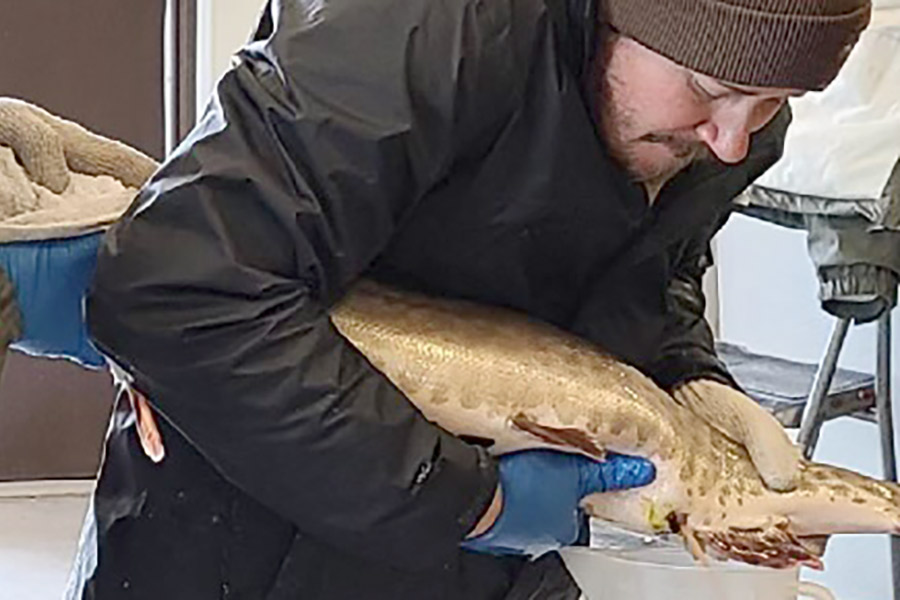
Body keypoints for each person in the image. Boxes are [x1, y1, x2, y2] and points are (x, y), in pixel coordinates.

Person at [22, 0, 864, 598]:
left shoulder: (731, 126)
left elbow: (653, 268)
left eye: (777, 103)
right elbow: (176, 288)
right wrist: (474, 501)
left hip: (500, 561)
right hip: (256, 521)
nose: (733, 140)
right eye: (708, 90)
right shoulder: (414, 31)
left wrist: (686, 371)